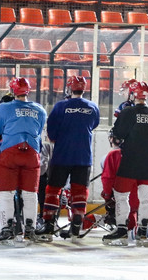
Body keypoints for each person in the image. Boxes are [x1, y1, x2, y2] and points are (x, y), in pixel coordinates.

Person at [37, 76, 100, 241]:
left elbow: (51, 134)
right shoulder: (92, 106)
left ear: (69, 88)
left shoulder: (60, 106)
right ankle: (77, 224)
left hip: (61, 156)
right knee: (79, 192)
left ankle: (49, 224)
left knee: (53, 190)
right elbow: (94, 125)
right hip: (83, 156)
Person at [103, 81, 148, 246]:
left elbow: (118, 135)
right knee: (146, 197)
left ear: (132, 94)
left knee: (121, 195)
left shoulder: (128, 112)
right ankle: (143, 230)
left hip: (130, 160)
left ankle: (122, 229)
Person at [0, 77, 47, 243]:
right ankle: (30, 227)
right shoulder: (40, 109)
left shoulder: (3, 108)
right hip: (32, 152)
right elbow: (39, 128)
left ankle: (6, 227)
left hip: (10, 152)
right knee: (30, 193)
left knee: (6, 193)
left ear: (12, 90)